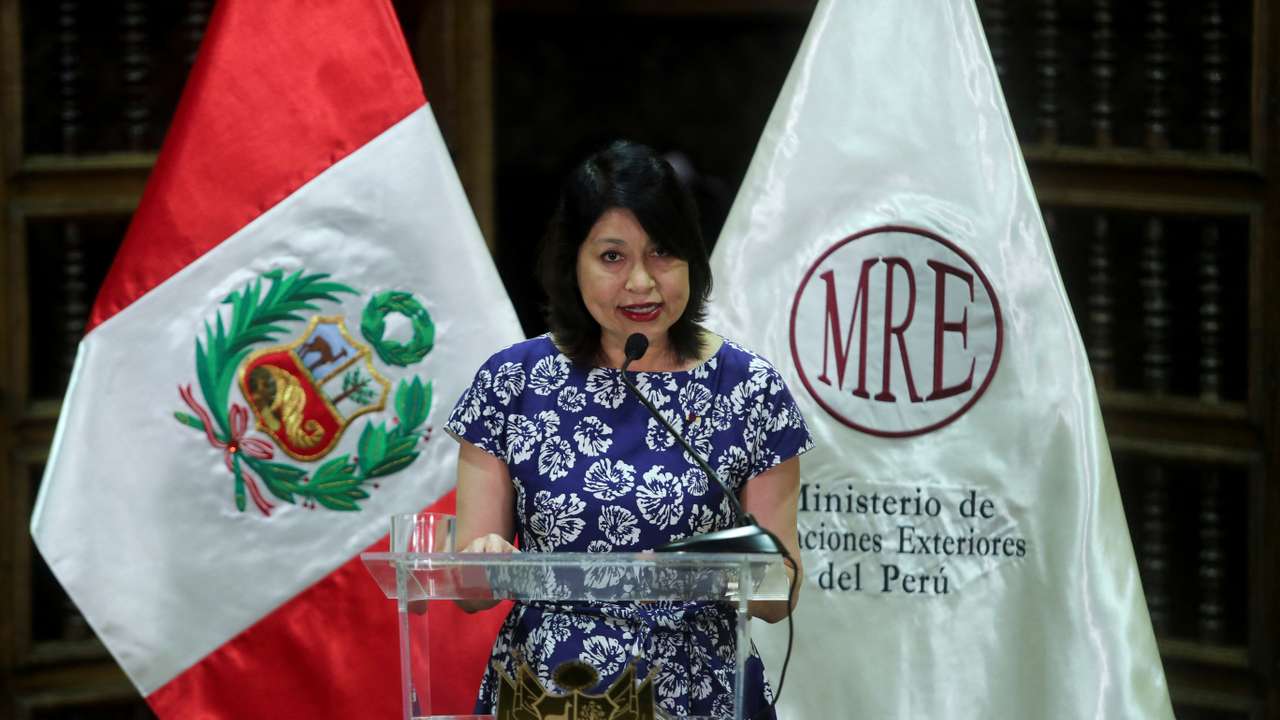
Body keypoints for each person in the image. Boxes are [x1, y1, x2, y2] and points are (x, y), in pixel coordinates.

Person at [444, 140, 812, 718]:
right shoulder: (511, 382)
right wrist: (483, 558)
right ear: (573, 263)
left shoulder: (749, 389)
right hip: (551, 691)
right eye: (612, 257)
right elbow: (469, 593)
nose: (642, 282)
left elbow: (779, 593)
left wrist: (725, 575)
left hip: (701, 693)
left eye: (663, 252)